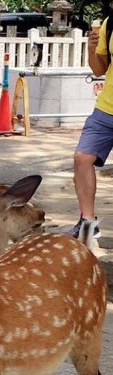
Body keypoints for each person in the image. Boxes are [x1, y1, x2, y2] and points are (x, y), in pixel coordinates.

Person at [68, 18, 113, 238]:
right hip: (106, 109)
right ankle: (87, 222)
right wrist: (92, 48)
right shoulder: (110, 23)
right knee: (82, 158)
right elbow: (99, 69)